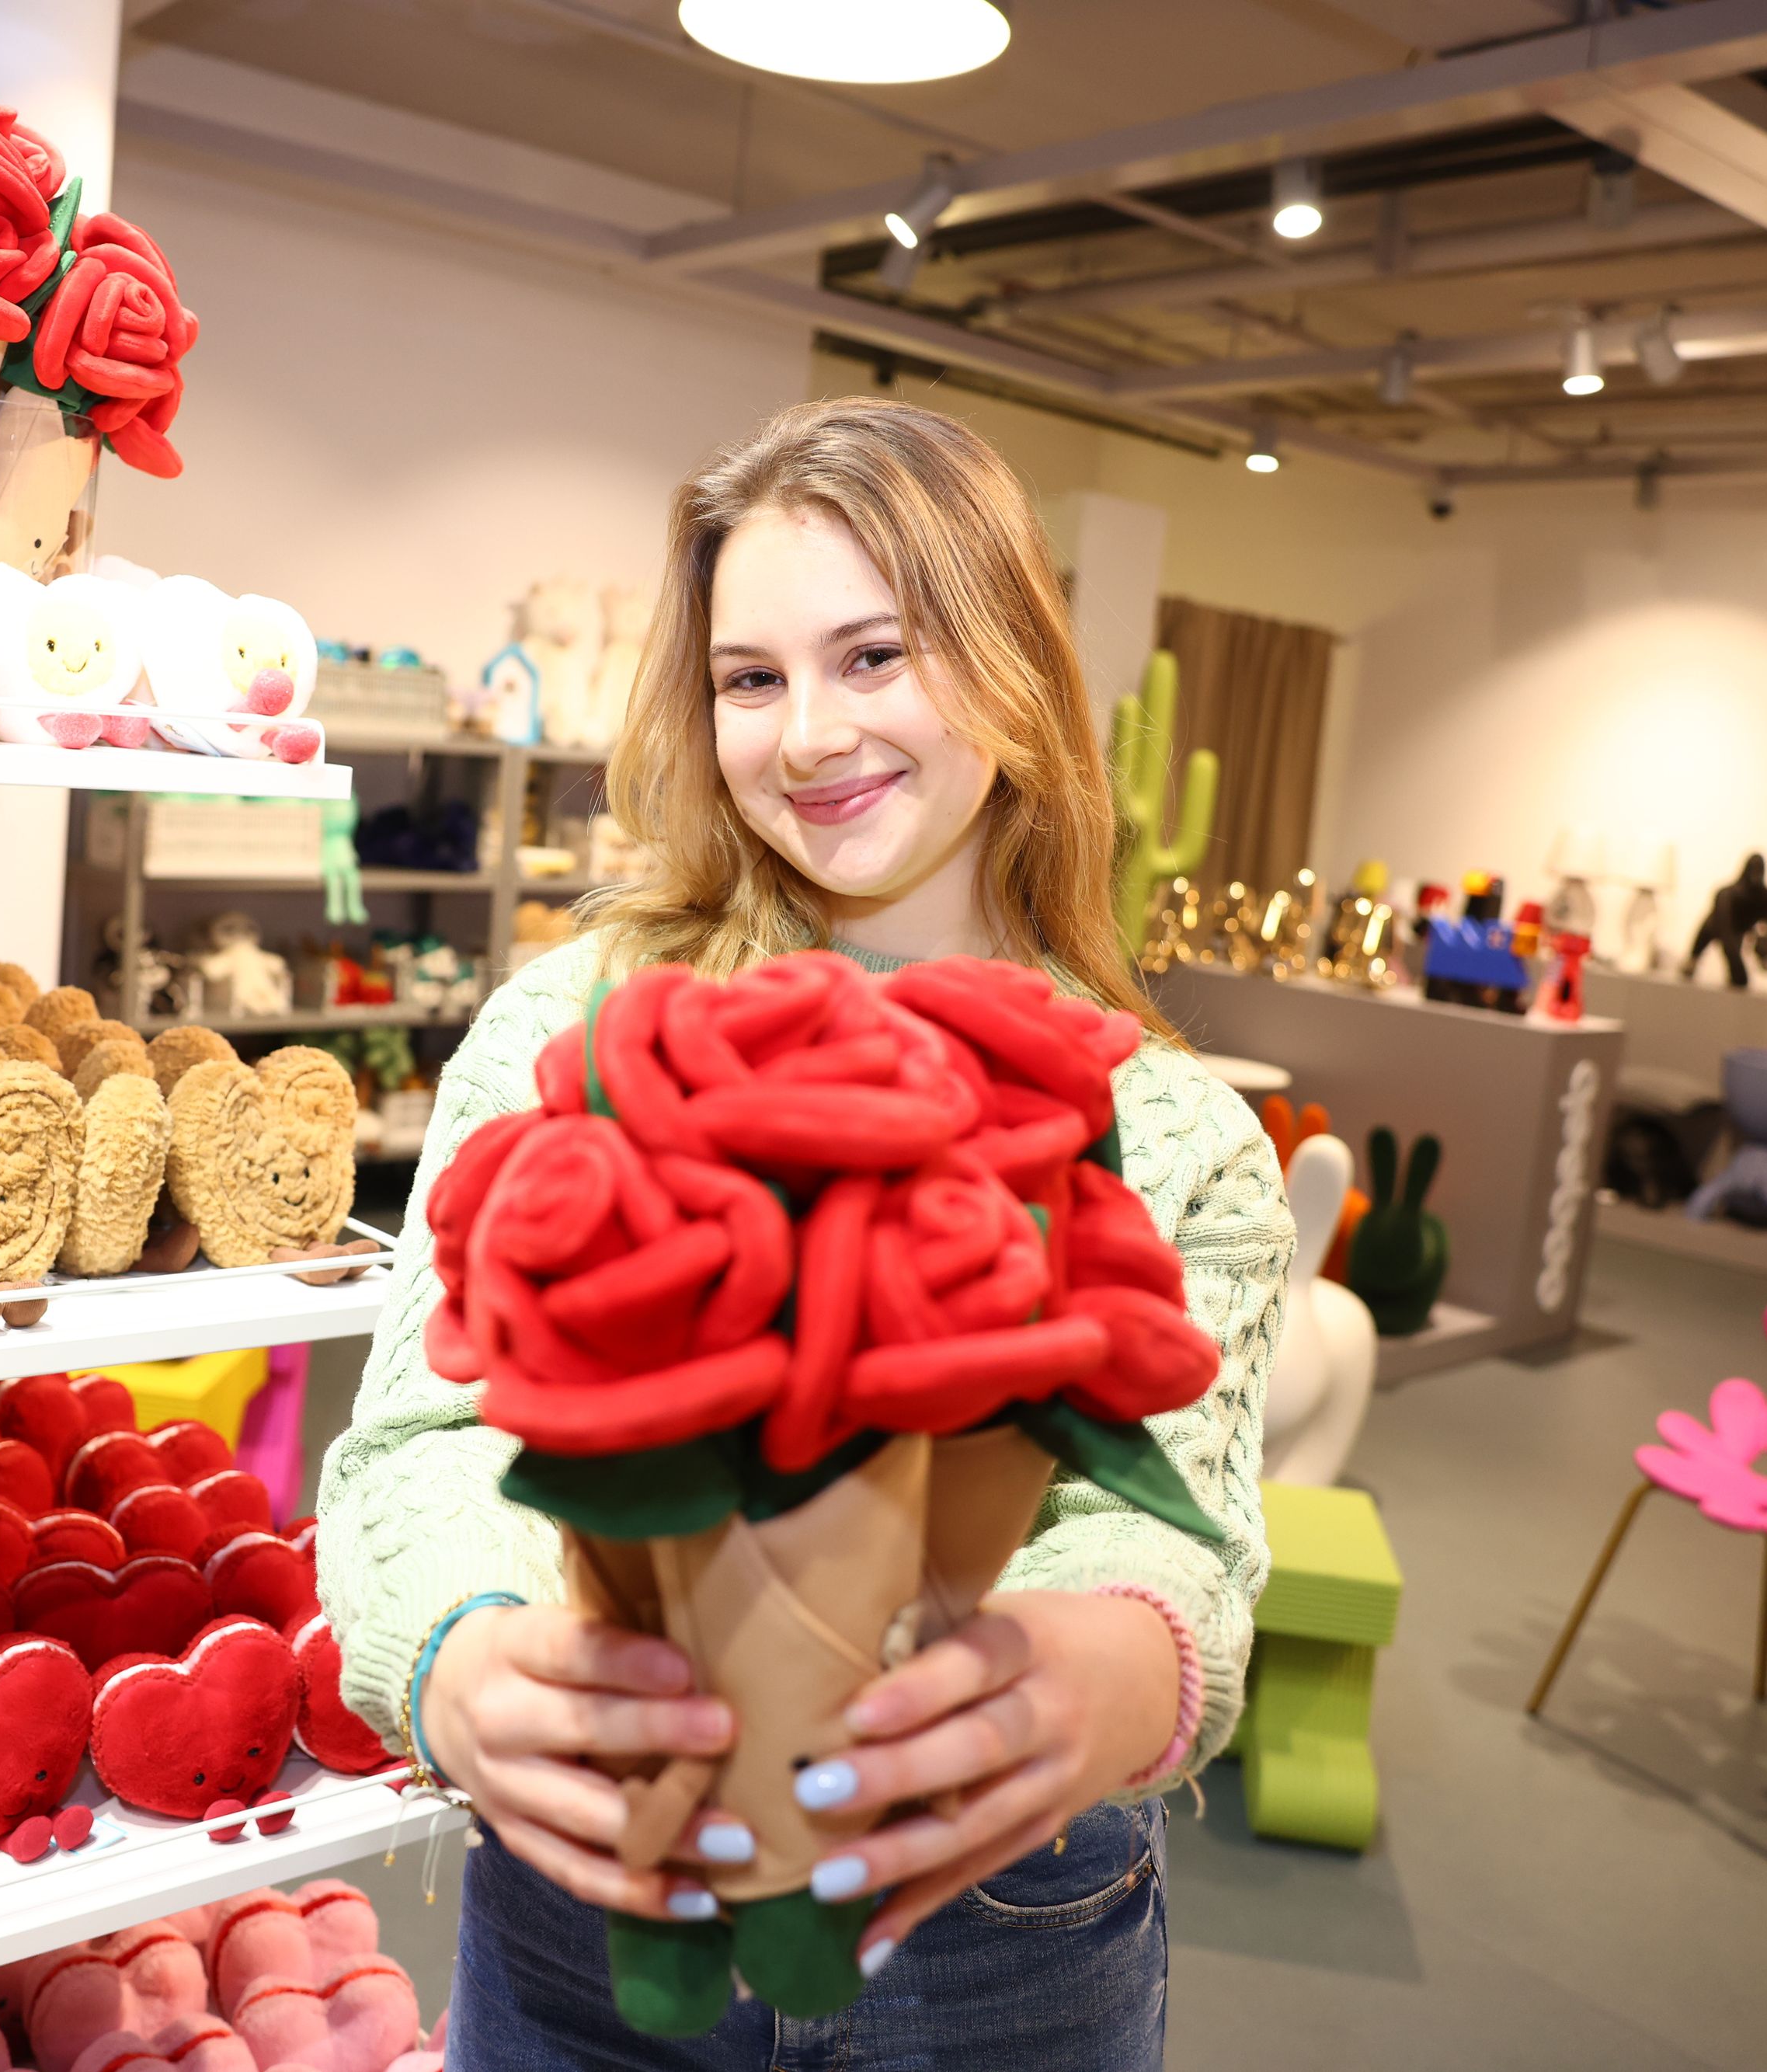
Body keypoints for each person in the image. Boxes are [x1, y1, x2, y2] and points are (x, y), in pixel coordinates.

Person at [316, 395, 1289, 2069]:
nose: (811, 735)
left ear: (1006, 659)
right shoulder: (573, 1023)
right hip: (595, 1901)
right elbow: (419, 1429)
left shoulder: (1176, 1128)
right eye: (749, 678)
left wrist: (1103, 1666)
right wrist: (463, 1652)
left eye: (873, 655)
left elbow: (1179, 1533)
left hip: (1000, 1940)